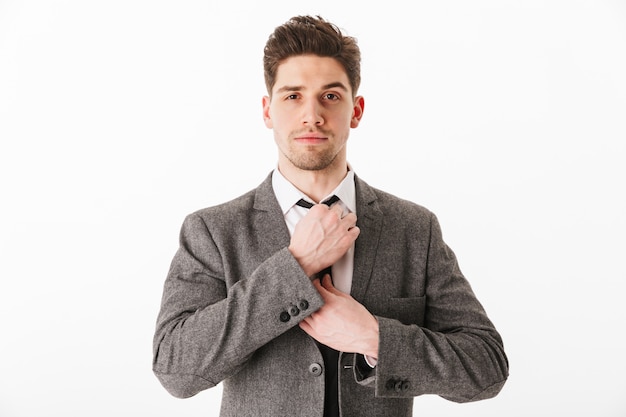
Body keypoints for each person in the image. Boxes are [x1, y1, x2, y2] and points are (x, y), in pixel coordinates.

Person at [152, 15, 509, 417]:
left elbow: (487, 367)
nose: (312, 115)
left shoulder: (413, 229)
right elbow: (174, 369)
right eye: (292, 96)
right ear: (268, 111)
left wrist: (374, 338)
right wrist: (296, 265)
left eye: (330, 96)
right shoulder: (213, 231)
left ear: (355, 110)